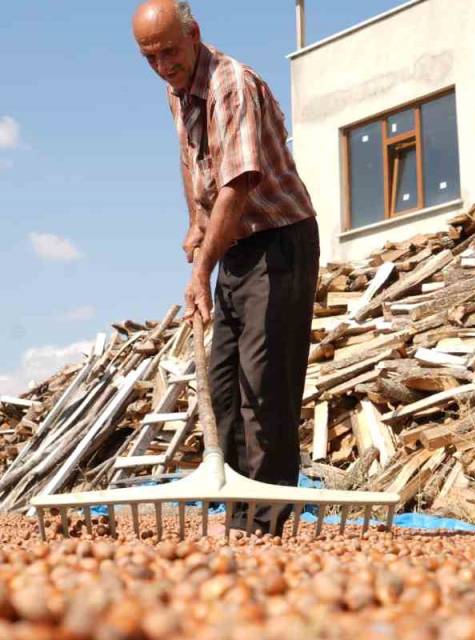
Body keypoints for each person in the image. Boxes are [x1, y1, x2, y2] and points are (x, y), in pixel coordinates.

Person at [132, 0, 320, 535]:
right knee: (224, 386)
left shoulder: (230, 84)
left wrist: (200, 271)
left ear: (194, 34)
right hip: (236, 244)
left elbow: (238, 183)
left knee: (265, 385)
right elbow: (194, 166)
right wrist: (195, 221)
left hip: (279, 241)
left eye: (170, 50)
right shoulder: (177, 92)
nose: (163, 65)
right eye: (150, 57)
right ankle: (238, 514)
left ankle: (268, 521)